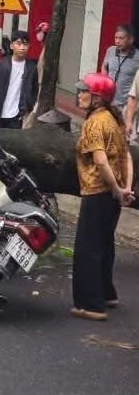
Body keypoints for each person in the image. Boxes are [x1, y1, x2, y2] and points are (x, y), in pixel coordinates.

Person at [71, 72, 134, 321]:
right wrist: (125, 187)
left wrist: (118, 189)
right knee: (104, 245)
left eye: (84, 91)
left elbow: (101, 160)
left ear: (96, 98)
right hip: (112, 195)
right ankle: (108, 294)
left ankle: (90, 305)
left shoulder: (95, 122)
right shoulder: (114, 118)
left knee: (88, 249)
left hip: (98, 192)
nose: (79, 95)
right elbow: (126, 155)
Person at [0, 31, 39, 129]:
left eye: (25, 44)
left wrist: (29, 108)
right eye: (19, 44)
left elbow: (34, 89)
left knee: (15, 142)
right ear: (12, 46)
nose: (22, 48)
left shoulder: (31, 67)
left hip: (18, 115)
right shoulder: (1, 65)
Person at [102, 24, 139, 112]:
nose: (117, 41)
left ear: (131, 39)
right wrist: (104, 81)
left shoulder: (137, 56)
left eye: (121, 38)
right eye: (116, 38)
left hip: (125, 106)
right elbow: (104, 65)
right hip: (107, 102)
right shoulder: (111, 50)